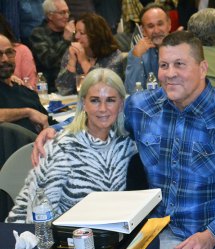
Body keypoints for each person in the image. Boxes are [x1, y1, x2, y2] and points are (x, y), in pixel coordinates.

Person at [32, 31, 215, 249]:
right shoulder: (143, 108)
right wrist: (56, 131)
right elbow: (101, 113)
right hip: (170, 235)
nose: (169, 73)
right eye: (164, 65)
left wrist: (212, 234)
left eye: (180, 64)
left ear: (202, 68)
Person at [6, 68, 136, 223]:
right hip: (55, 237)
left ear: (121, 104)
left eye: (110, 100)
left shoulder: (126, 146)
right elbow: (40, 215)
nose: (103, 109)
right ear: (83, 104)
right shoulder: (63, 148)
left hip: (105, 235)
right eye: (95, 100)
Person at [55, 13, 123, 95]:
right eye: (76, 32)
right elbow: (63, 90)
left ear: (96, 34)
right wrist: (72, 62)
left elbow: (104, 88)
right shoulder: (73, 52)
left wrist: (83, 62)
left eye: (81, 33)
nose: (76, 36)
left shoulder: (113, 55)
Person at [0, 34, 55, 133]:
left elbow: (49, 122)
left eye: (9, 53)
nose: (5, 59)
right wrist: (28, 112)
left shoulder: (27, 92)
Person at [29, 0, 75, 93]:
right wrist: (64, 40)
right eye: (62, 13)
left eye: (67, 12)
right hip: (51, 88)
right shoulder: (38, 34)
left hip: (73, 84)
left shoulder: (73, 31)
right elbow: (47, 61)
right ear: (50, 16)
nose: (66, 16)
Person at [124, 3, 171, 94]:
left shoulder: (181, 48)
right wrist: (136, 57)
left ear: (169, 24)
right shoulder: (138, 52)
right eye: (150, 26)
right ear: (143, 30)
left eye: (160, 24)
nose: (156, 31)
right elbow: (131, 90)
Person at [0, 14, 37, 90]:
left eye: (9, 53)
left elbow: (31, 86)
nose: (5, 59)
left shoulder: (22, 50)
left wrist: (9, 80)